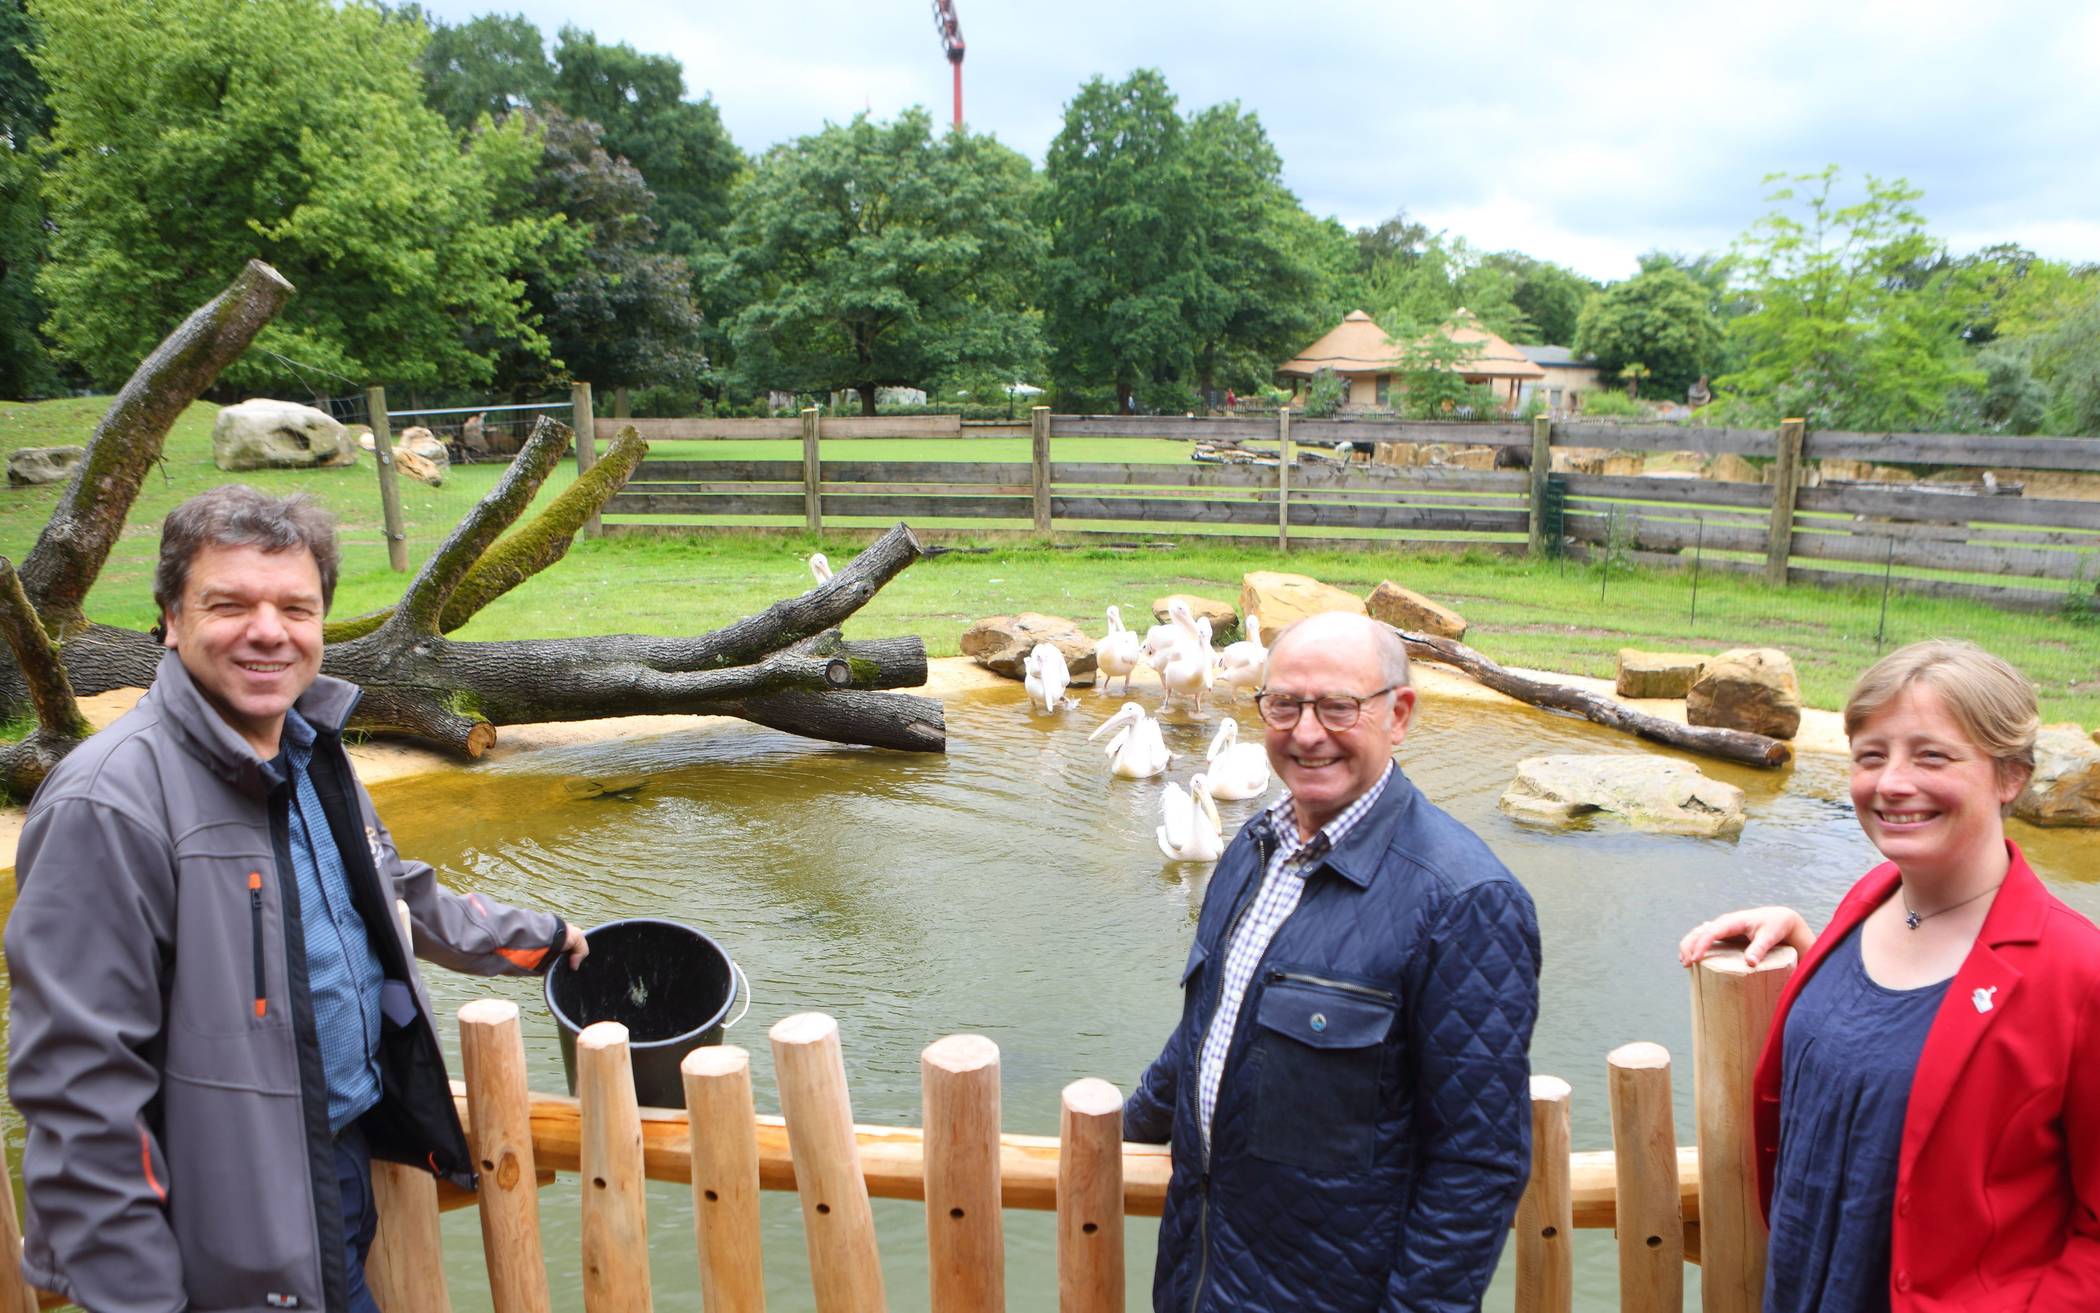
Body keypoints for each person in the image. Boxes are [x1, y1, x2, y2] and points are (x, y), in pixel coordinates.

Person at [6, 486, 590, 1313]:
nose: (269, 630)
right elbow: (79, 1089)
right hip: (225, 1210)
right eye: (229, 603)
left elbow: (388, 892)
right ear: (170, 618)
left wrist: (539, 937)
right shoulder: (107, 804)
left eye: (296, 606)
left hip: (335, 1160)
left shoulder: (312, 750)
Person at [1123, 611, 1541, 1311]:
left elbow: (1476, 1165)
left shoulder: (1465, 902)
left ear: (1398, 714)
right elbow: (1210, 1025)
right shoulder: (1253, 848)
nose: (1307, 732)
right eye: (1284, 703)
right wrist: (1118, 1131)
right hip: (1200, 1282)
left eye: (1338, 707)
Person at [1678, 639, 2100, 1312]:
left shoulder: (2080, 974)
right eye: (1871, 755)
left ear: (2010, 774)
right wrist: (1815, 956)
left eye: (1931, 755)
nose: (1892, 782)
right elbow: (1903, 1050)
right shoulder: (1868, 899)